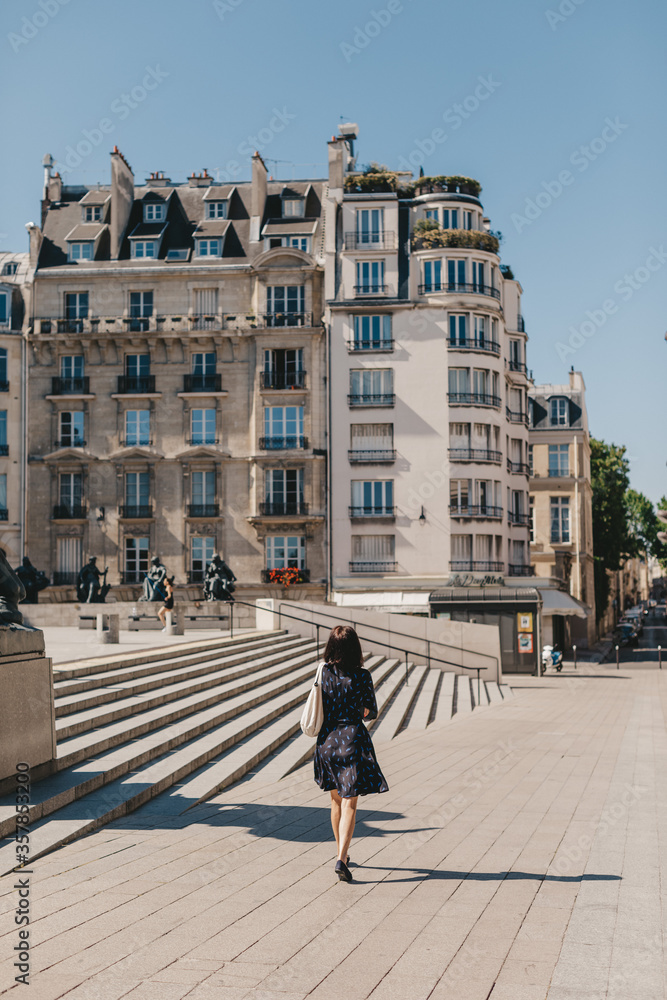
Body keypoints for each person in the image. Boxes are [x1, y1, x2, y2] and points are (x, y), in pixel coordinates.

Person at [313, 625, 388, 883]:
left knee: (335, 801)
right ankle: (341, 859)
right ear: (355, 648)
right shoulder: (362, 676)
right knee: (350, 803)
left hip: (327, 742)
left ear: (331, 647)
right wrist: (358, 711)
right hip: (351, 741)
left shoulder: (324, 673)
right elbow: (371, 711)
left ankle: (340, 853)